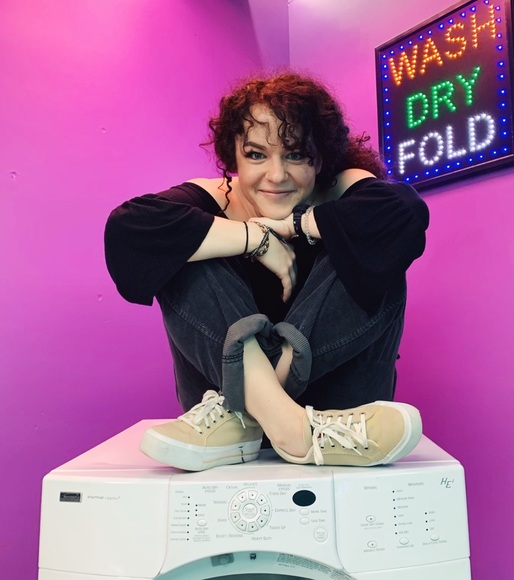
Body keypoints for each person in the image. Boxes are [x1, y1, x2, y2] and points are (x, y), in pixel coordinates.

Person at [104, 71, 429, 472]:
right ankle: (289, 427)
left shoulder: (340, 186)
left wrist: (295, 226)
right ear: (234, 156)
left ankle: (260, 411)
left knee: (377, 241)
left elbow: (403, 213)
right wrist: (253, 237)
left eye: (296, 155)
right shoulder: (216, 197)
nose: (276, 176)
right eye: (256, 155)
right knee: (181, 245)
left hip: (338, 415)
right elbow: (127, 230)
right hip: (222, 417)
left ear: (321, 157)